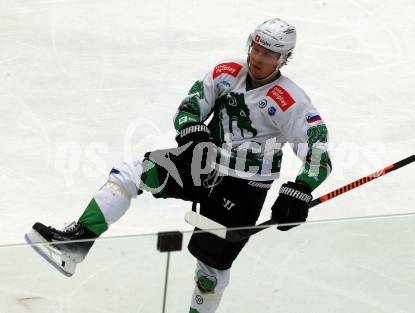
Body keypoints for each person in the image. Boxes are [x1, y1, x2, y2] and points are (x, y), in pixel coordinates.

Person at [25, 18, 332, 313]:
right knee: (133, 172)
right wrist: (192, 129)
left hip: (245, 185)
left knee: (210, 271)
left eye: (268, 54)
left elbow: (318, 152)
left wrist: (301, 188)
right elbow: (189, 107)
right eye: (255, 48)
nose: (257, 57)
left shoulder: (290, 100)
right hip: (203, 165)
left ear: (283, 58)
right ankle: (76, 243)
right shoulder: (226, 72)